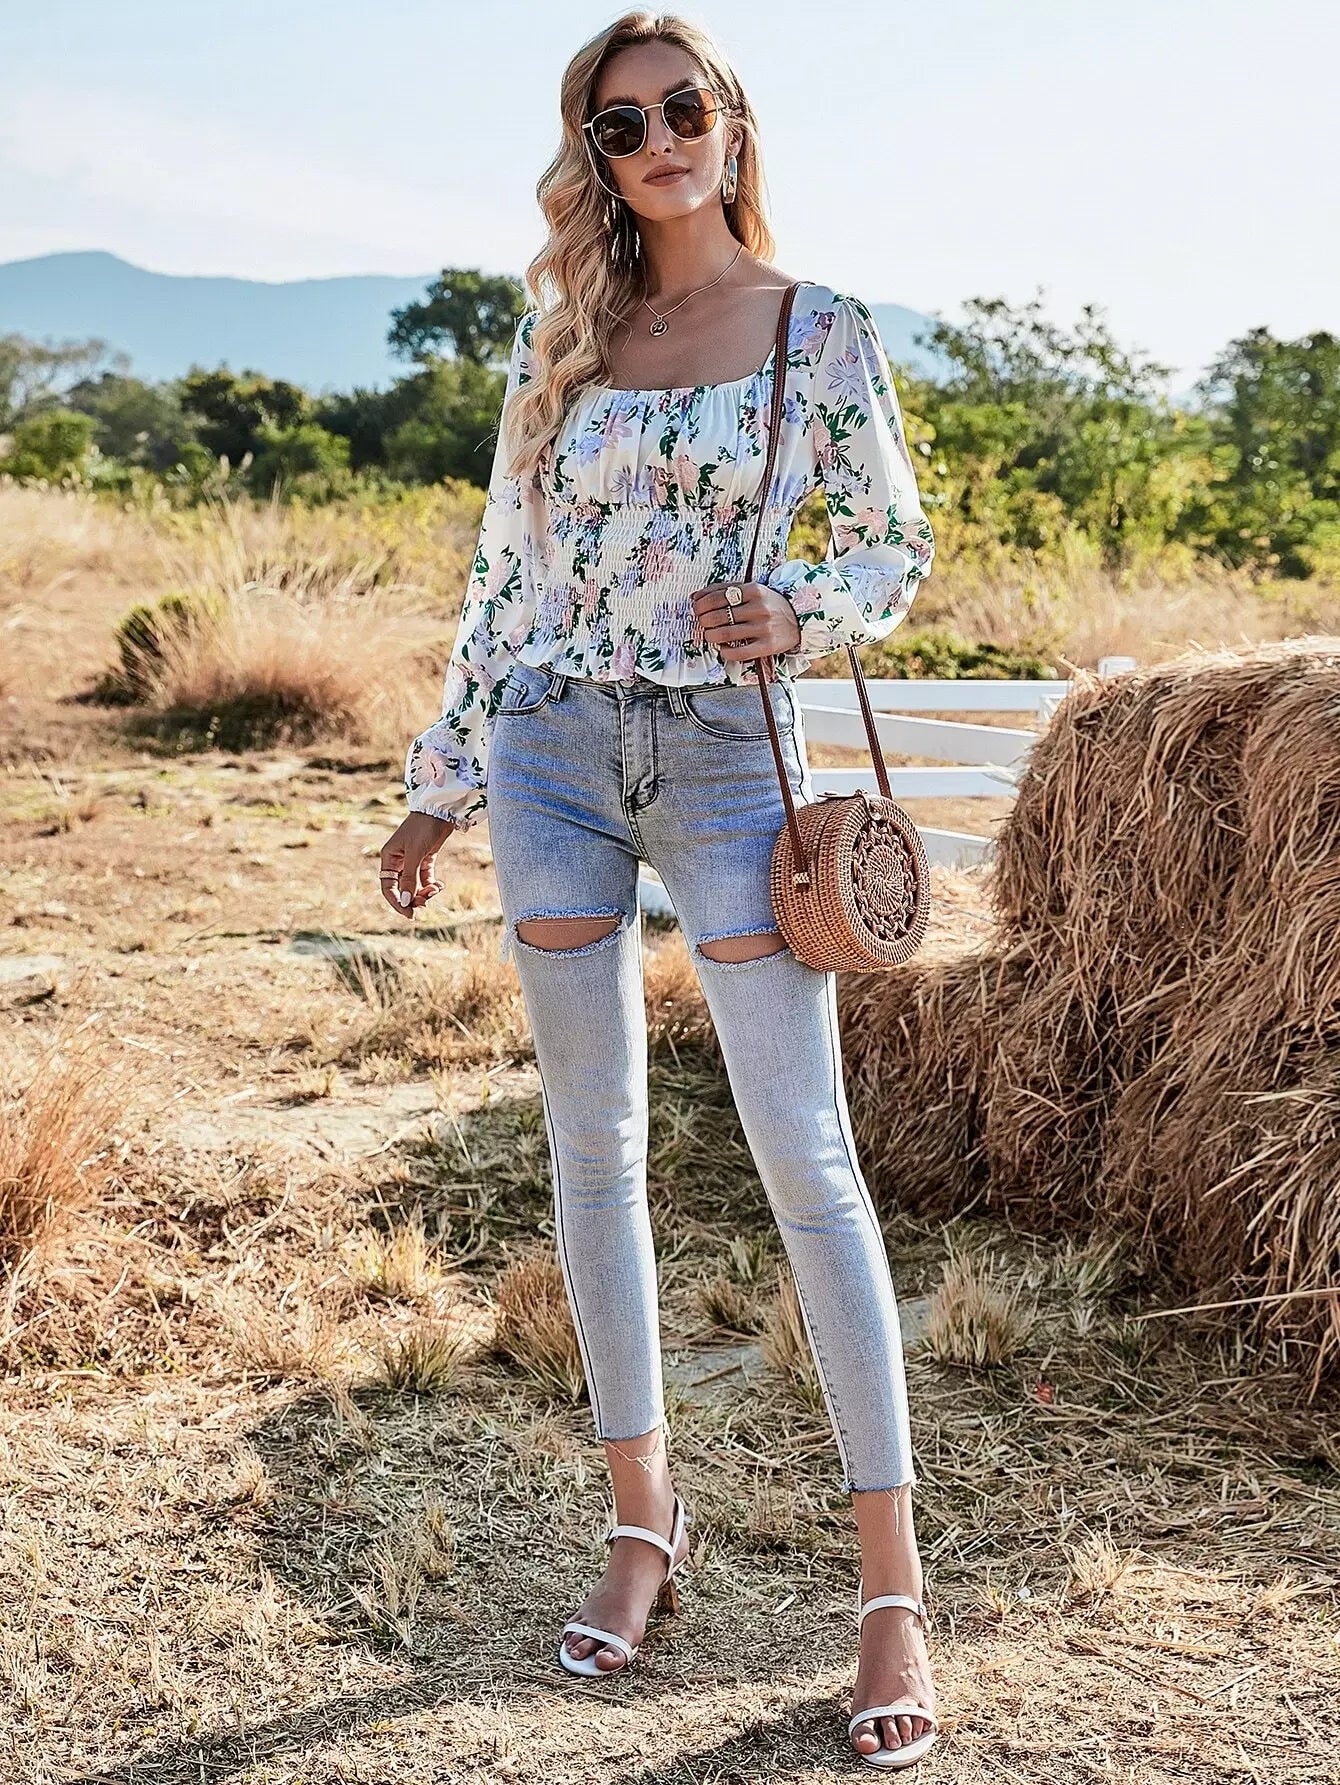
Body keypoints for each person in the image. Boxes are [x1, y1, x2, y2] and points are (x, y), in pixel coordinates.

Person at [379, 10, 939, 1771]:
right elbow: (503, 581)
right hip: (550, 753)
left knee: (807, 1158)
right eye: (620, 126)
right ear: (596, 159)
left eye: (682, 109)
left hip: (724, 763)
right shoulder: (562, 336)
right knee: (593, 1149)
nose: (658, 142)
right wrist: (441, 786)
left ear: (732, 122)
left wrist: (800, 608)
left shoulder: (819, 330)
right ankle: (643, 1525)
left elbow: (893, 546)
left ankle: (892, 1591)